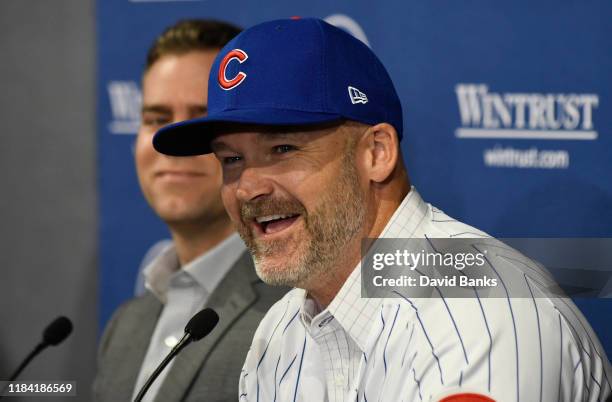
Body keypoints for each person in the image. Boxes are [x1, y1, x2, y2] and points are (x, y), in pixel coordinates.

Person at [153, 18, 612, 402]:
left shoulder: (481, 310)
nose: (248, 187)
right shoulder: (280, 332)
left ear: (376, 153)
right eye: (231, 160)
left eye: (283, 147)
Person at [93, 20, 287, 402]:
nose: (172, 143)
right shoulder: (123, 327)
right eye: (156, 119)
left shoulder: (298, 307)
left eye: (199, 120)